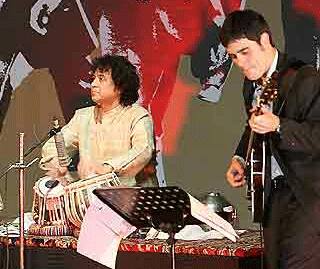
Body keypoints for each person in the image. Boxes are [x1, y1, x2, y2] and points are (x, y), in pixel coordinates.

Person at [221, 9, 320, 269]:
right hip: (272, 194)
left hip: (308, 194)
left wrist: (279, 125)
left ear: (265, 40)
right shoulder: (250, 85)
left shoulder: (305, 78)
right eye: (233, 56)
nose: (240, 63)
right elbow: (253, 126)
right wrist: (240, 158)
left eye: (245, 52)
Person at [40, 54, 158, 187]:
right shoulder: (83, 117)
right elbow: (53, 147)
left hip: (132, 198)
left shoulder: (138, 115)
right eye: (93, 78)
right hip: (93, 198)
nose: (93, 84)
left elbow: (143, 150)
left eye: (101, 79)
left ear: (120, 86)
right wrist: (56, 163)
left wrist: (107, 168)